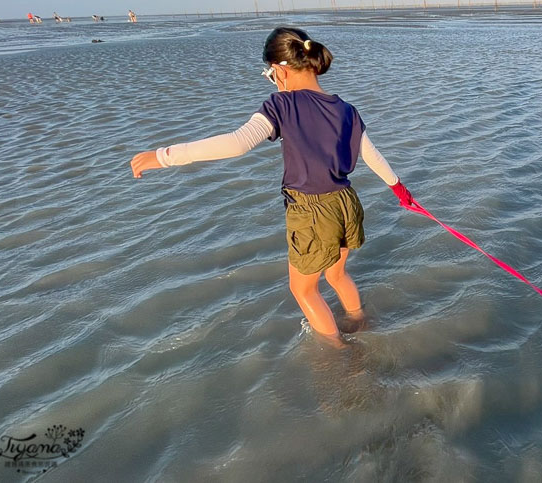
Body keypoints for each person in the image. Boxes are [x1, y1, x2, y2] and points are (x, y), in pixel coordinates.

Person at [130, 27, 414, 344]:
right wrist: (400, 190)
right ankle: (360, 320)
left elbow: (237, 143)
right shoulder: (346, 109)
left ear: (279, 70)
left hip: (311, 210)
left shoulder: (281, 105)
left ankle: (338, 354)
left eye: (269, 74)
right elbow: (372, 155)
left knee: (303, 288)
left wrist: (164, 156)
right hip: (346, 202)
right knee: (336, 273)